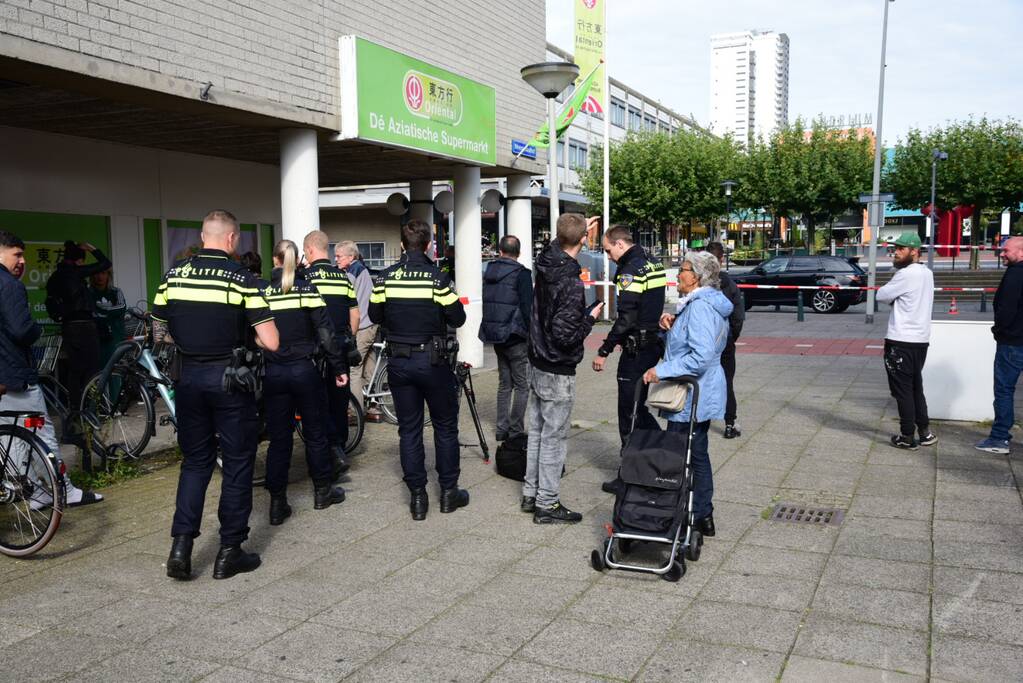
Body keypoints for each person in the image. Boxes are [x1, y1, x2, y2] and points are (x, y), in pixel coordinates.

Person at [152, 210, 279, 581]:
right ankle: (229, 552)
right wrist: (247, 337)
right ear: (232, 238)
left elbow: (159, 332)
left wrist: (188, 342)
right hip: (229, 380)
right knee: (237, 462)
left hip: (187, 379)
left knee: (195, 462)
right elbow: (271, 341)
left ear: (203, 235)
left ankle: (180, 547)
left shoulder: (173, 275)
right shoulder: (242, 279)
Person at [367, 219, 467, 521]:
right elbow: (458, 318)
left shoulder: (385, 278)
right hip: (433, 362)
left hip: (399, 363)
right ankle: (448, 493)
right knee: (445, 426)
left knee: (409, 430)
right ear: (428, 246)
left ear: (401, 245)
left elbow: (374, 314)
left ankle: (418, 498)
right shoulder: (438, 279)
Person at [0, 231, 103, 507]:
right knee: (41, 432)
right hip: (16, 375)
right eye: (17, 254)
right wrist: (36, 329)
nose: (22, 261)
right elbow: (22, 330)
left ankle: (34, 492)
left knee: (12, 437)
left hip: (3, 380)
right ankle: (64, 490)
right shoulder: (9, 285)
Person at [260, 240, 348, 525]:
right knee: (316, 433)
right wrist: (338, 367)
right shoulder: (308, 290)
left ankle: (277, 504)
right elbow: (326, 333)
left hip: (274, 373)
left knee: (279, 440)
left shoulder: (262, 293)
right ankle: (322, 492)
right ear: (297, 260)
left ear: (275, 260)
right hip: (305, 371)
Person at [524, 213, 604, 524]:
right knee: (554, 438)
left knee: (537, 431)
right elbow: (565, 335)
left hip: (536, 360)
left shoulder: (545, 264)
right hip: (556, 367)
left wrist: (577, 228)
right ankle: (547, 502)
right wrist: (590, 319)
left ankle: (531, 494)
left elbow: (556, 245)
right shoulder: (570, 282)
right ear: (584, 239)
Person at [647, 251, 733, 539]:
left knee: (683, 455)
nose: (678, 274)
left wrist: (662, 370)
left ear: (696, 277)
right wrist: (670, 328)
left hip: (691, 393)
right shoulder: (702, 304)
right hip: (699, 391)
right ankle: (701, 514)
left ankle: (689, 512)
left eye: (682, 269)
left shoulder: (699, 308)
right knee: (696, 452)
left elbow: (701, 355)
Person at [592, 224, 666, 493]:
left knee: (628, 412)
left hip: (636, 350)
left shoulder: (630, 271)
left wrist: (604, 349)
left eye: (608, 250)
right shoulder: (653, 262)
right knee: (639, 407)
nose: (608, 256)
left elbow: (626, 318)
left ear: (620, 244)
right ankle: (660, 450)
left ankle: (629, 476)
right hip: (652, 344)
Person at [302, 231, 358, 470]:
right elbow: (355, 314)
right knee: (339, 402)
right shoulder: (343, 278)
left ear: (309, 250)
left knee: (316, 404)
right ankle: (340, 450)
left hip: (314, 353)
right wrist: (348, 338)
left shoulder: (304, 278)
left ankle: (326, 455)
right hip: (341, 350)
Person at [876, 232, 936, 450]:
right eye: (896, 248)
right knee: (916, 387)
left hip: (901, 340)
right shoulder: (927, 273)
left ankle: (907, 436)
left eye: (901, 249)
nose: (896, 252)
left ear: (915, 251)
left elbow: (881, 295)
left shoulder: (906, 274)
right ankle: (925, 433)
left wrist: (894, 298)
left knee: (903, 391)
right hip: (920, 340)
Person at [46, 240, 112, 410]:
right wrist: (91, 248)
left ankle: (75, 408)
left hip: (68, 326)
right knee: (92, 368)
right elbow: (105, 263)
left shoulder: (55, 277)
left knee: (75, 369)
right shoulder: (77, 272)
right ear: (79, 260)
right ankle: (92, 406)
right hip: (85, 326)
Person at [479, 235, 532, 442]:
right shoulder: (522, 274)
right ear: (519, 253)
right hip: (516, 335)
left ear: (500, 251)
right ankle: (516, 429)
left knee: (504, 384)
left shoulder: (489, 272)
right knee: (522, 385)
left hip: (496, 335)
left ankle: (501, 428)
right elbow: (527, 307)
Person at [976, 236, 1023, 454]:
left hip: (1012, 342)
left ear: (1021, 252)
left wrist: (998, 331)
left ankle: (999, 437)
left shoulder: (1015, 274)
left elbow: (1006, 309)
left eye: (1006, 250)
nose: (1001, 254)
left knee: (1004, 389)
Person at [335, 241, 381, 422]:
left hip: (361, 326)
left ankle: (355, 412)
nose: (336, 259)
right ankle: (374, 406)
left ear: (351, 256)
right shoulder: (361, 269)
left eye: (339, 256)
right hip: (371, 324)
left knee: (354, 369)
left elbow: (343, 297)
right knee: (370, 366)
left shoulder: (352, 272)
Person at [705, 242, 745, 438]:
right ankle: (730, 424)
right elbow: (738, 317)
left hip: (704, 340)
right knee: (727, 381)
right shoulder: (729, 284)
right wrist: (731, 337)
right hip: (724, 340)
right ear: (721, 259)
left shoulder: (698, 282)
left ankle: (698, 420)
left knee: (702, 379)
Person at [90, 268, 127, 377]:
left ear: (108, 275)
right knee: (98, 374)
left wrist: (103, 311)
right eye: (97, 273)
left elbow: (122, 307)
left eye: (103, 273)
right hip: (97, 338)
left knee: (115, 373)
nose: (100, 276)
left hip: (116, 337)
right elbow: (91, 313)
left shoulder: (116, 291)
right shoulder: (88, 292)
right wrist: (110, 313)